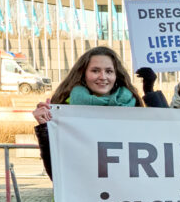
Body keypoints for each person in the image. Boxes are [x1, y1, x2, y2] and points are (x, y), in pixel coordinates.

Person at [32, 46, 144, 180]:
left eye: (109, 71)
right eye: (95, 71)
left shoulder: (134, 110)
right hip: (77, 197)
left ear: (116, 75)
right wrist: (45, 127)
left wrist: (149, 91)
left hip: (121, 197)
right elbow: (55, 172)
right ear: (83, 74)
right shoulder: (64, 109)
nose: (103, 77)